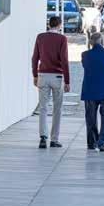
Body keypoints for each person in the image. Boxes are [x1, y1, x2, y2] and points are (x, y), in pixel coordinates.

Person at [32, 16, 70, 149]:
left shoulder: (40, 37)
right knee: (57, 109)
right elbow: (64, 60)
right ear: (59, 25)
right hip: (57, 76)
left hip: (43, 75)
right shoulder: (62, 39)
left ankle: (43, 137)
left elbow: (35, 58)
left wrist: (35, 75)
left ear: (49, 25)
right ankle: (54, 139)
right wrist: (67, 80)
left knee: (43, 107)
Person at [81, 32, 104, 151]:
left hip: (90, 90)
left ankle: (92, 143)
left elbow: (85, 66)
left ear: (91, 42)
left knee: (91, 118)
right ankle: (102, 141)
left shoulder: (85, 55)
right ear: (102, 41)